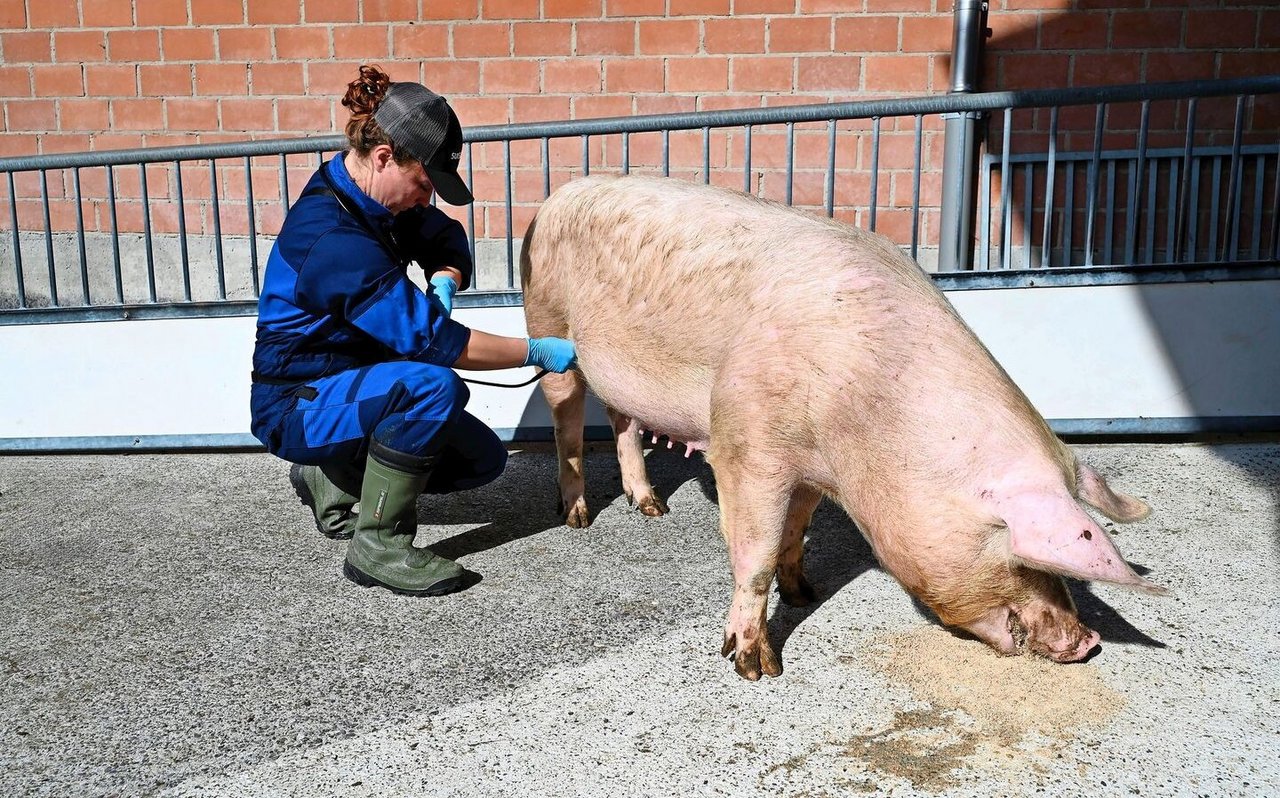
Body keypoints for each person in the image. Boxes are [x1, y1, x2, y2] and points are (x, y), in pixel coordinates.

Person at [250, 65, 576, 598]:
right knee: (431, 387)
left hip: (349, 383)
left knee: (480, 458)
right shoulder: (333, 237)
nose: (428, 197)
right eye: (425, 183)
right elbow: (441, 345)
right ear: (384, 158)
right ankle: (377, 545)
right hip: (294, 404)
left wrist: (445, 278)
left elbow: (444, 235)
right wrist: (536, 350)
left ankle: (327, 475)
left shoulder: (373, 199)